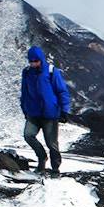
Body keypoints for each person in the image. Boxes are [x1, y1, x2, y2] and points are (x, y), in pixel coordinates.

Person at [20, 46, 70, 175]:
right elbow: (24, 92)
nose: (33, 64)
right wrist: (24, 108)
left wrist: (64, 110)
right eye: (31, 61)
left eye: (36, 61)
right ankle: (42, 157)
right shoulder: (26, 72)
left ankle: (55, 168)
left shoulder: (51, 71)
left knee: (52, 143)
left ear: (41, 60)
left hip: (50, 113)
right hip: (33, 112)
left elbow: (61, 90)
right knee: (28, 135)